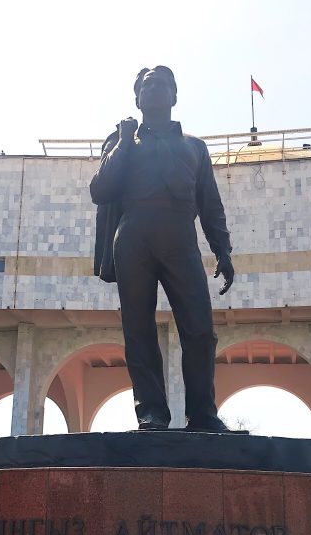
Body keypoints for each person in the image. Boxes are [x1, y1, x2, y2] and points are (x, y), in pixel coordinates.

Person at [90, 66, 235, 432]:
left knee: (200, 329)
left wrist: (222, 248)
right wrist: (124, 142)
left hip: (181, 238)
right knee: (138, 329)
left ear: (175, 95)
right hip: (133, 237)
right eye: (147, 85)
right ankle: (151, 412)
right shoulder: (121, 140)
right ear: (137, 99)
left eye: (162, 83)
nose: (154, 88)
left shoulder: (195, 147)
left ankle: (203, 414)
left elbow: (210, 203)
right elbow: (100, 190)